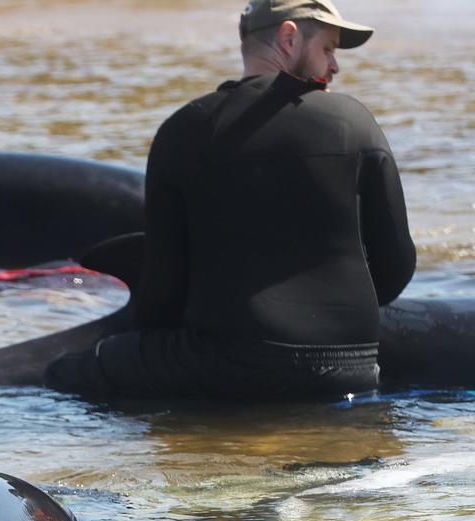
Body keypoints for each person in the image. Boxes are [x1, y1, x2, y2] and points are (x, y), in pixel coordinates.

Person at [46, 0, 415, 401]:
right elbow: (395, 267)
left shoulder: (185, 130)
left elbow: (162, 293)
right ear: (289, 37)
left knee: (64, 372)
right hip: (353, 372)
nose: (335, 66)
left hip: (230, 368)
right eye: (327, 49)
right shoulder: (356, 123)